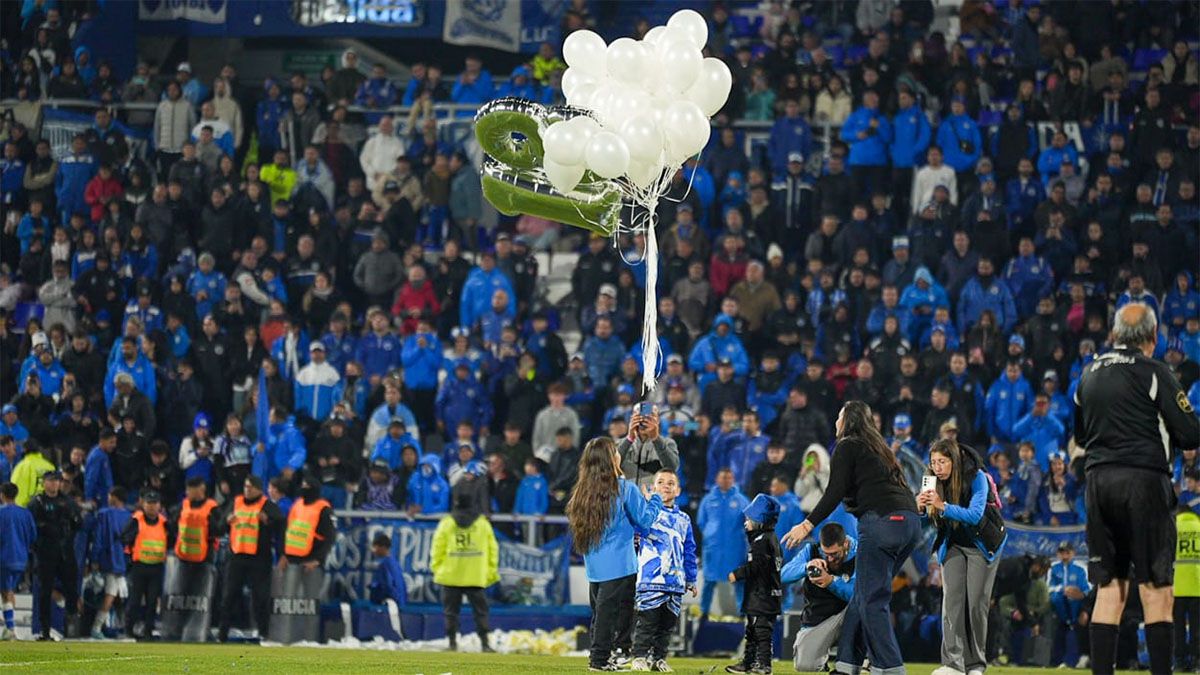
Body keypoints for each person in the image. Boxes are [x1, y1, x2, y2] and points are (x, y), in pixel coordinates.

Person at [1074, 303, 1200, 675]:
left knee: (1109, 588)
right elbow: (1190, 433)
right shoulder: (1155, 372)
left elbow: (1081, 435)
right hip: (1144, 482)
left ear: (1114, 334)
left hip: (1098, 485)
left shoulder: (1088, 373)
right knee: (1156, 587)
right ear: (1153, 336)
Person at [782, 400, 920, 675]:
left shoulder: (847, 445)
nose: (836, 422)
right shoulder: (880, 449)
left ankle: (891, 668)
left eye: (839, 416)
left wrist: (807, 525)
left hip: (881, 523)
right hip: (910, 523)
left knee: (872, 601)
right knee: (864, 595)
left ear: (848, 421)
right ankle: (847, 664)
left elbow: (834, 492)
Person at [566, 436, 663, 672]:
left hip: (595, 564)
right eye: (615, 452)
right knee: (610, 616)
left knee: (600, 614)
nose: (619, 454)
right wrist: (655, 500)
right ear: (610, 459)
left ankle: (602, 657)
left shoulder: (582, 491)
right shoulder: (625, 489)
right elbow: (645, 521)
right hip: (620, 563)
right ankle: (599, 661)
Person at [919, 439, 1007, 675]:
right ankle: (952, 664)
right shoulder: (932, 481)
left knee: (976, 604)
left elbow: (975, 515)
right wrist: (919, 508)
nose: (937, 467)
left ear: (954, 461)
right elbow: (926, 519)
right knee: (952, 603)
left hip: (983, 544)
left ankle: (976, 664)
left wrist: (943, 505)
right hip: (953, 543)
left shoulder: (975, 476)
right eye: (934, 462)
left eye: (943, 462)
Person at [630, 470, 697, 672]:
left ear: (678, 490)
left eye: (670, 483)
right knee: (647, 622)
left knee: (667, 626)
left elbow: (689, 550)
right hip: (651, 579)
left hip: (675, 581)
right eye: (660, 482)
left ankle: (658, 658)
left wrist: (691, 578)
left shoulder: (684, 519)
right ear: (653, 488)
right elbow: (636, 534)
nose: (666, 486)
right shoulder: (646, 513)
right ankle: (639, 656)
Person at [430, 483, 499, 653]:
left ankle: (452, 643)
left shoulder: (447, 523)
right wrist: (489, 572)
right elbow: (493, 550)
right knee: (481, 612)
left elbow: (437, 548)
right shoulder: (482, 524)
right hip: (475, 576)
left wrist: (437, 569)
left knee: (451, 612)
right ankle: (485, 644)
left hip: (450, 575)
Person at [780, 521, 856, 672]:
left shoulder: (861, 553)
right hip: (819, 619)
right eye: (826, 554)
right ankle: (822, 658)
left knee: (866, 606)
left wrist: (831, 581)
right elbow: (783, 575)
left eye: (834, 554)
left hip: (847, 615)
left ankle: (860, 661)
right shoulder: (811, 550)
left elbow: (858, 594)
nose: (830, 559)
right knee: (805, 666)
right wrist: (806, 566)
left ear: (845, 543)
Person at [219, 475, 283, 642]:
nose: (247, 490)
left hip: (259, 559)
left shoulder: (266, 505)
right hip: (237, 556)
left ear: (259, 490)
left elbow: (280, 524)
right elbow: (219, 526)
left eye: (251, 487)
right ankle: (222, 634)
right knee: (229, 596)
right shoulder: (236, 502)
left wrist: (267, 520)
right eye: (246, 486)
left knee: (260, 598)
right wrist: (227, 521)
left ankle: (263, 633)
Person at [724, 494, 782, 675]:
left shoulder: (762, 541)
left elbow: (757, 565)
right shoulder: (771, 538)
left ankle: (764, 665)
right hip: (764, 595)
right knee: (753, 631)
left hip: (761, 596)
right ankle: (748, 663)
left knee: (761, 632)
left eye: (749, 519)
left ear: (760, 521)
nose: (745, 523)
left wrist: (737, 574)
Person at [29, 470, 82, 640]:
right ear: (44, 483)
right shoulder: (37, 502)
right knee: (45, 590)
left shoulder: (67, 502)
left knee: (71, 589)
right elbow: (31, 526)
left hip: (65, 551)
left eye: (56, 481)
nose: (53, 484)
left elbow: (78, 523)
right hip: (45, 552)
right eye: (50, 481)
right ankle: (44, 630)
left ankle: (71, 626)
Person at [699, 467, 750, 618]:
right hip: (713, 549)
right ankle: (704, 613)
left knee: (739, 582)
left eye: (729, 478)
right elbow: (702, 522)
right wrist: (710, 536)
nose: (726, 480)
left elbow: (748, 523)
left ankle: (742, 614)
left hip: (735, 548)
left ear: (733, 480)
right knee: (709, 581)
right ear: (717, 479)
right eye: (723, 477)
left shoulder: (742, 500)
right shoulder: (708, 500)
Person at [121, 490, 170, 640]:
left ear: (159, 506)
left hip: (156, 566)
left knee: (152, 601)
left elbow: (173, 537)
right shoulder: (136, 520)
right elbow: (124, 537)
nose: (152, 507)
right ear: (143, 504)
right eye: (149, 503)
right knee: (135, 600)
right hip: (139, 566)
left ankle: (148, 631)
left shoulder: (164, 522)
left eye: (155, 504)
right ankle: (129, 629)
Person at [90, 486, 132, 639]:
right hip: (123, 561)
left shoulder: (105, 514)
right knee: (115, 594)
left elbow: (99, 538)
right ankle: (110, 627)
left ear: (114, 497)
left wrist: (94, 559)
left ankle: (99, 627)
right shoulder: (130, 516)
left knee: (111, 594)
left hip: (108, 559)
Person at [1047, 541, 1092, 669]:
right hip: (1060, 608)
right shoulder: (1053, 568)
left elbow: (1088, 589)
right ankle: (1057, 661)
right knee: (1058, 628)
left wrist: (1078, 594)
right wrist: (1063, 589)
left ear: (1073, 553)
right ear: (1058, 554)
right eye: (1062, 552)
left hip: (1077, 606)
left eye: (1067, 552)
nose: (1065, 555)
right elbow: (1049, 588)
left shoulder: (1081, 568)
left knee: (1082, 625)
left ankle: (1084, 657)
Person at [0, 482, 36, 640]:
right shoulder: (25, 514)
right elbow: (33, 536)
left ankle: (11, 629)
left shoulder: (1, 513)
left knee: (6, 592)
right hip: (21, 559)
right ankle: (9, 628)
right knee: (8, 591)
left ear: (2, 494)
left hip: (4, 557)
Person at [280, 475, 335, 570]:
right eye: (302, 486)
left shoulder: (324, 509)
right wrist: (284, 554)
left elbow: (330, 537)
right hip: (292, 558)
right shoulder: (297, 504)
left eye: (306, 487)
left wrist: (318, 560)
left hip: (312, 561)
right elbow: (288, 529)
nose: (303, 489)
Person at [618, 407, 680, 491]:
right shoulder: (621, 444)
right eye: (639, 417)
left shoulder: (667, 443)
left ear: (657, 420)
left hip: (653, 499)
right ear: (632, 419)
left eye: (649, 417)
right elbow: (610, 467)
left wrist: (656, 439)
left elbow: (672, 468)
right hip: (627, 499)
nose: (644, 421)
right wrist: (629, 439)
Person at [1177, 501, 1200, 671]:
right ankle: (1197, 660)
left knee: (1178, 628)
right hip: (1197, 585)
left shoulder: (1173, 528)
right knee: (1196, 627)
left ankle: (1180, 661)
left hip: (1177, 586)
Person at [368, 532, 406, 609]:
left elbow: (388, 586)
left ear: (383, 548)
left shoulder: (385, 565)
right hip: (400, 604)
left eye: (376, 547)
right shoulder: (394, 562)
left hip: (390, 607)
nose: (374, 551)